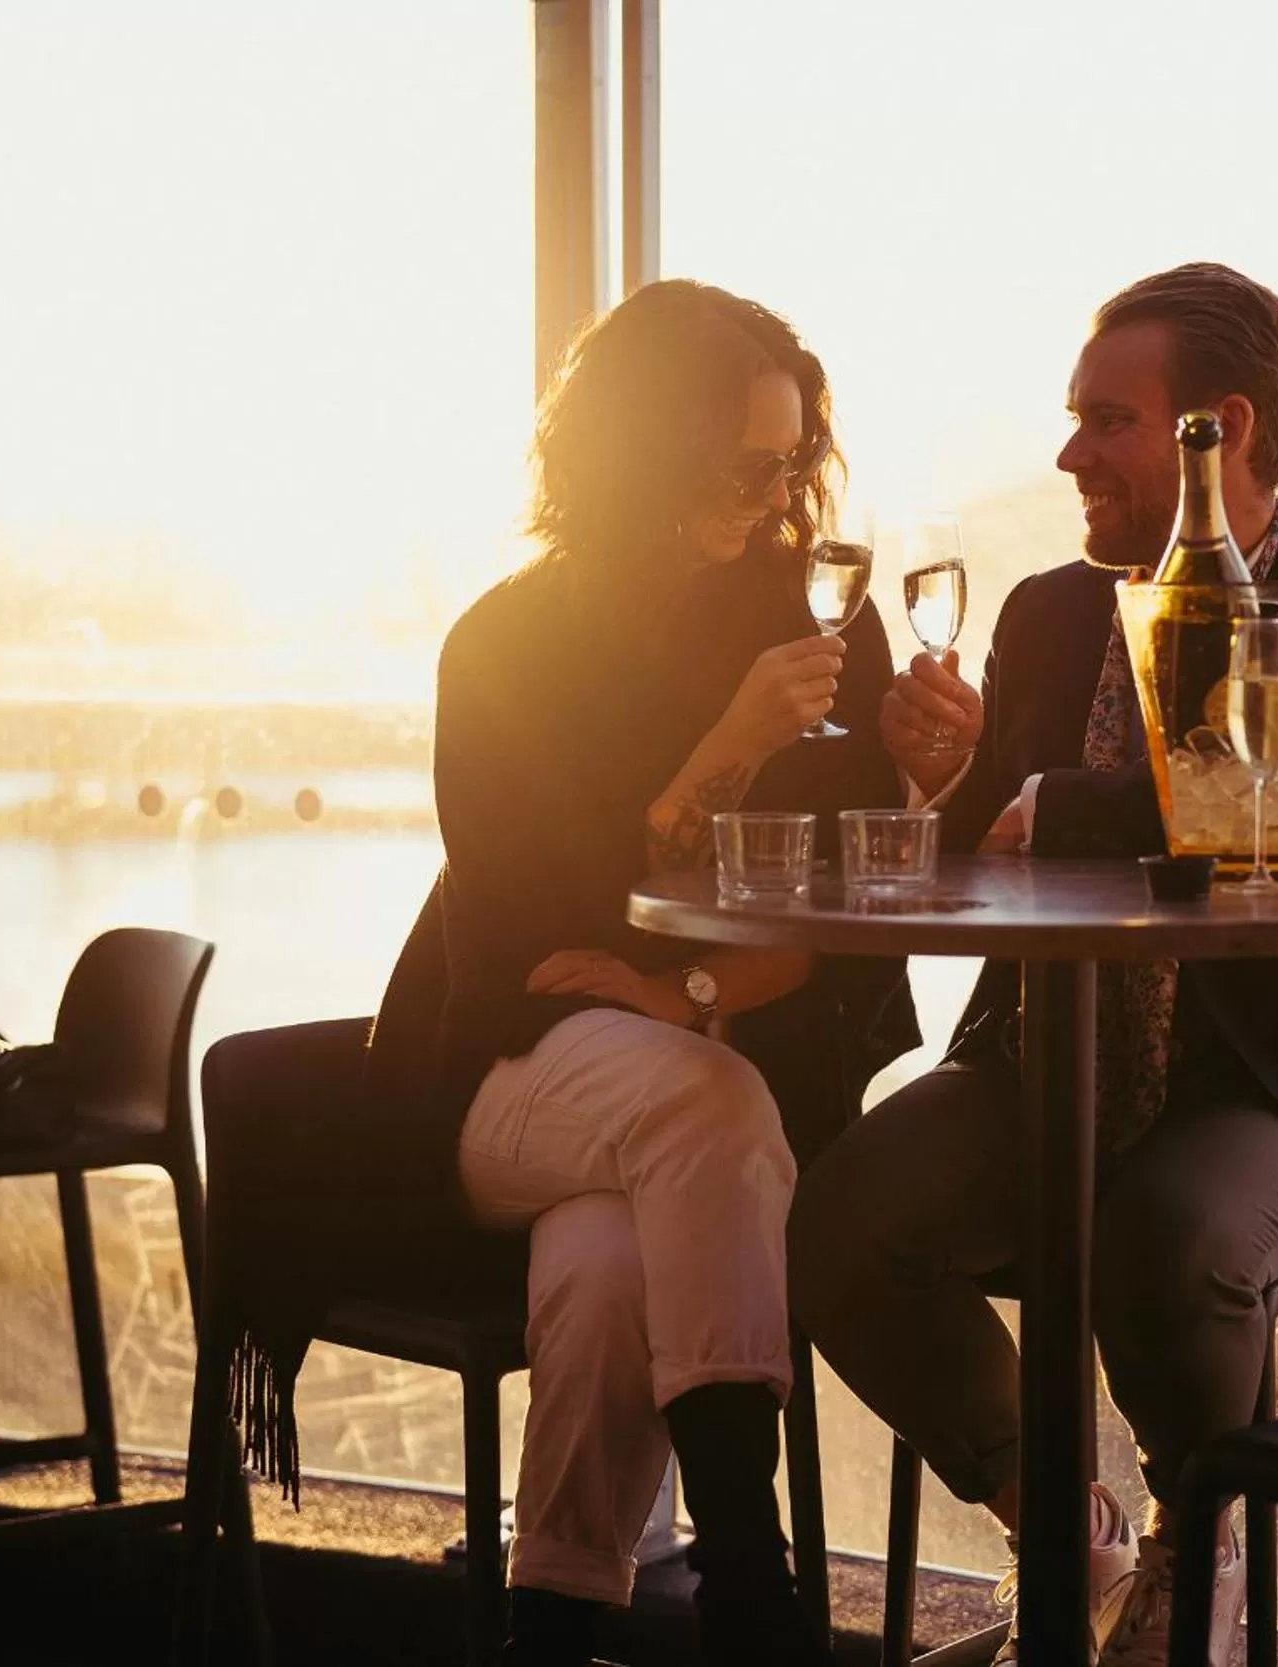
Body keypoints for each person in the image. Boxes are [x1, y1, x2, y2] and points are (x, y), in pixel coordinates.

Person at [789, 262, 1278, 1665]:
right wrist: (934, 780)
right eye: (1074, 418)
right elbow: (982, 845)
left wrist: (1063, 804)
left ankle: (1190, 1552)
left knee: (1163, 1240)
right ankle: (1066, 1533)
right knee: (838, 1221)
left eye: (1107, 420)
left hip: (1273, 1090)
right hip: (1041, 1062)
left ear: (1222, 429)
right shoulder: (1048, 613)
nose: (1069, 454)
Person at [363, 280, 916, 1666]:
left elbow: (861, 904)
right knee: (703, 1106)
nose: (774, 497)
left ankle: (549, 1625)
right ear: (639, 457)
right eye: (740, 467)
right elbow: (532, 930)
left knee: (608, 1263)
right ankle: (749, 1588)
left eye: (788, 463)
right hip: (511, 1077)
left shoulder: (817, 621)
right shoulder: (506, 646)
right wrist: (721, 753)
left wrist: (928, 774)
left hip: (711, 1085)